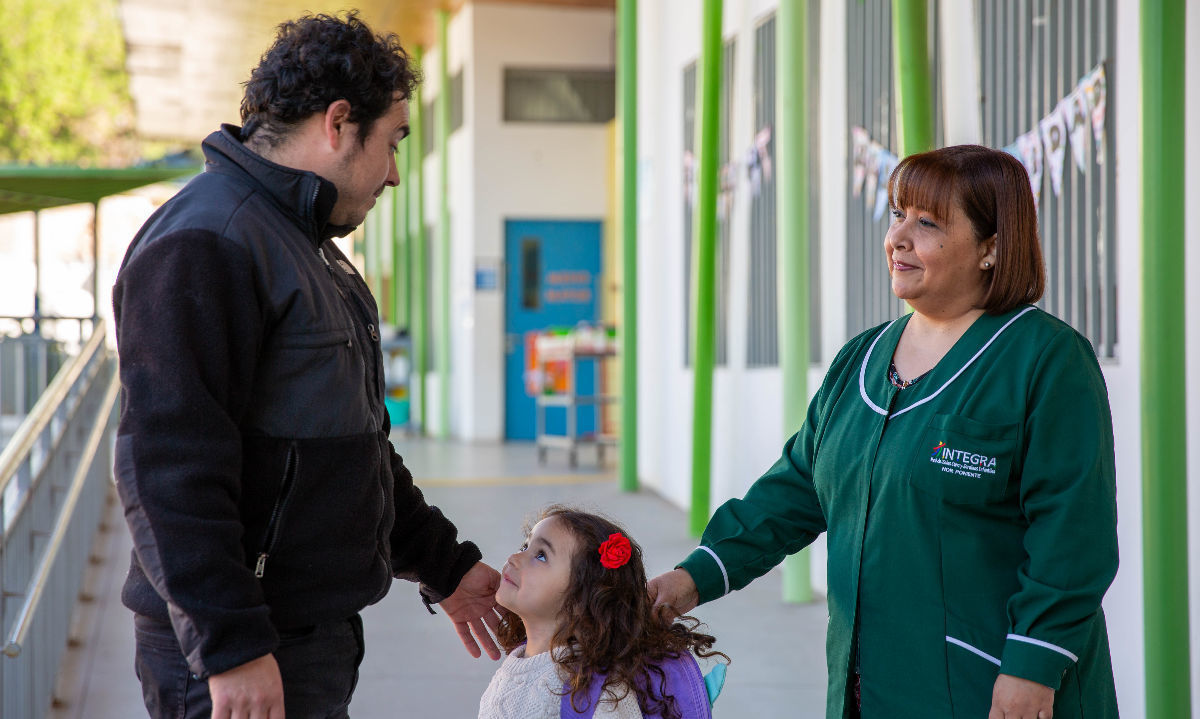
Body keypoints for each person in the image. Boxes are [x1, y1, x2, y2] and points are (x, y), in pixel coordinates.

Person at [112, 12, 501, 718]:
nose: (394, 174)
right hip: (242, 652)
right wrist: (230, 643)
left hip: (304, 636)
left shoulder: (309, 247)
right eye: (391, 144)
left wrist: (446, 565)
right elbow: (166, 463)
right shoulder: (210, 241)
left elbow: (354, 450)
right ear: (338, 122)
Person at [649, 145, 1119, 719]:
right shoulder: (861, 358)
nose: (899, 236)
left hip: (992, 686)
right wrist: (692, 578)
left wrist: (1032, 665)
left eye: (927, 222)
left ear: (991, 247)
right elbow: (797, 489)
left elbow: (1072, 535)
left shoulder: (1044, 360)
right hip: (865, 688)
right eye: (898, 214)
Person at [479, 506, 727, 719]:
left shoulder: (601, 695)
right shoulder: (518, 662)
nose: (514, 557)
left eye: (541, 555)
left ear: (581, 599)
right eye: (525, 544)